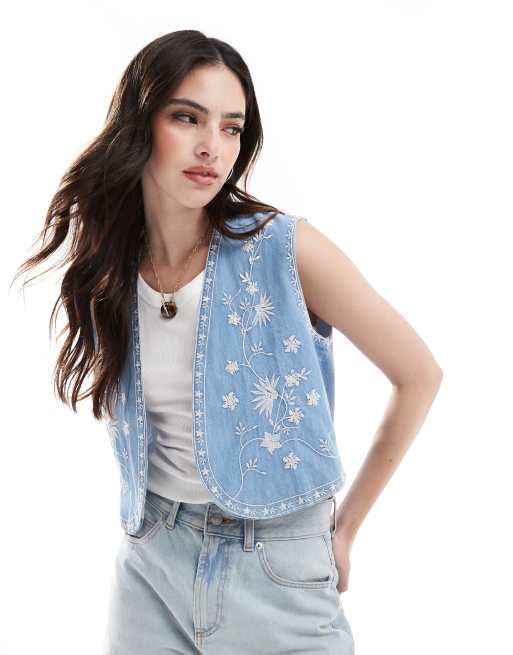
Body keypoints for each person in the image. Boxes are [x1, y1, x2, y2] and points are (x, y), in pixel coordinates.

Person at [12, 29, 443, 655]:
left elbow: (418, 374)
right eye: (187, 117)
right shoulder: (111, 263)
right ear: (140, 123)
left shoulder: (284, 248)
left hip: (277, 566)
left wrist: (346, 527)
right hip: (150, 565)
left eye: (231, 127)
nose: (211, 146)